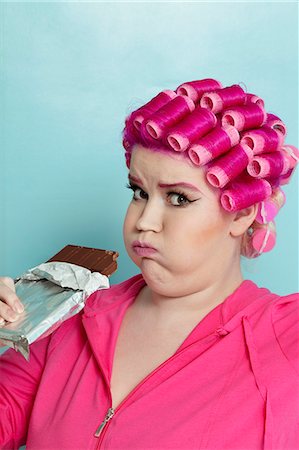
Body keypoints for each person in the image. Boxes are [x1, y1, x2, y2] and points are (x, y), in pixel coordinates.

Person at [0, 78, 298, 450]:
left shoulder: (287, 337)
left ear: (242, 213)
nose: (145, 221)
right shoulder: (64, 315)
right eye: (139, 192)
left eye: (178, 198)